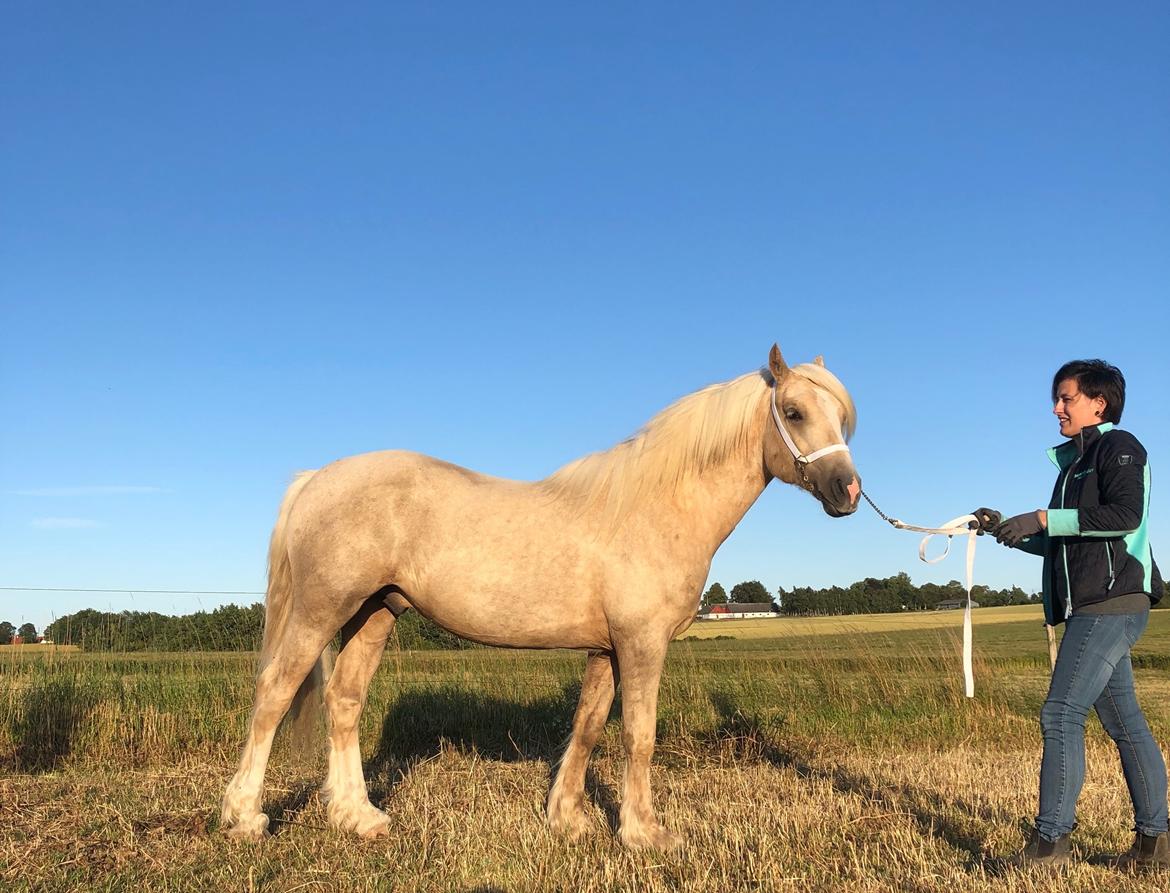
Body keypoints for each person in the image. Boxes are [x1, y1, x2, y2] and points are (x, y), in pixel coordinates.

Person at [973, 358, 1166, 871]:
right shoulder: (1073, 467)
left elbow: (1125, 517)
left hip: (1112, 602)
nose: (1056, 408)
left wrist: (1041, 517)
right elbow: (1066, 545)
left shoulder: (1119, 447)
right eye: (1056, 399)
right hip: (1095, 603)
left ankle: (1050, 844)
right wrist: (1010, 532)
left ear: (1098, 403)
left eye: (1066, 398)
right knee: (1126, 724)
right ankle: (1156, 846)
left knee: (1060, 714)